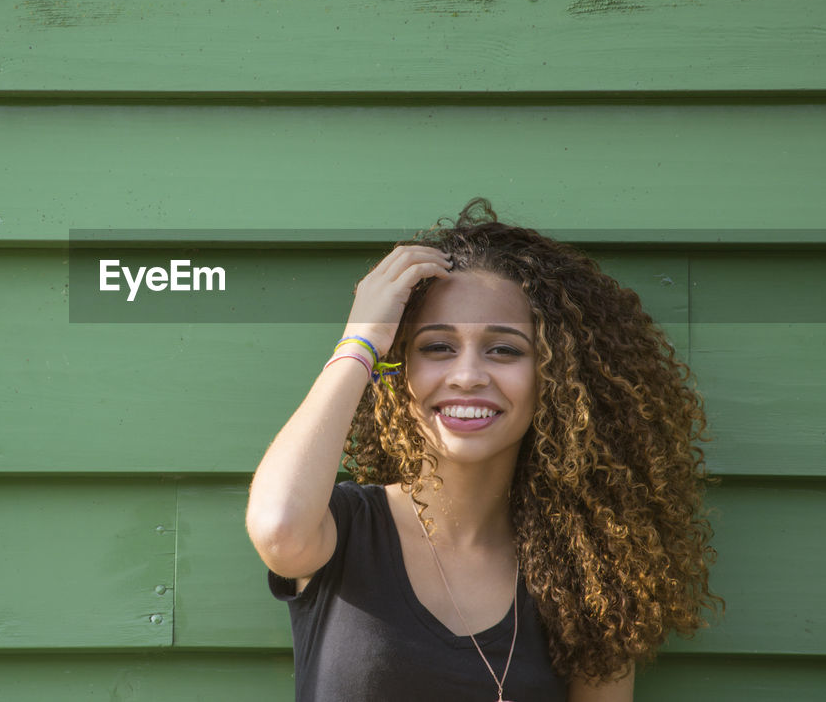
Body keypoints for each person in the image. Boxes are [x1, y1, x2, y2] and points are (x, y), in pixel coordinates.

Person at [246, 198, 721, 701]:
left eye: (504, 349)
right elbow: (278, 527)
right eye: (437, 347)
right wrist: (360, 344)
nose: (468, 375)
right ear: (398, 371)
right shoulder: (345, 528)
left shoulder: (590, 572)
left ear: (555, 378)